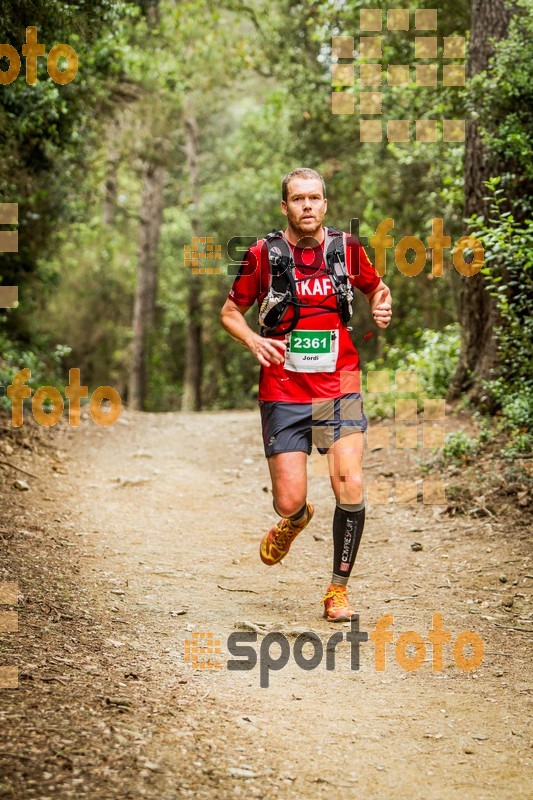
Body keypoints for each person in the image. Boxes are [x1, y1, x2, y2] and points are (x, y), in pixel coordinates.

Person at [220, 168, 392, 621]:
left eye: (315, 198)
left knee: (349, 482)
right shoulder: (263, 254)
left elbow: (378, 289)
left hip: (340, 382)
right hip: (283, 388)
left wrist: (381, 305)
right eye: (298, 199)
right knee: (289, 499)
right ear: (285, 207)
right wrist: (252, 340)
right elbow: (230, 312)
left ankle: (337, 590)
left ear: (325, 204)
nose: (307, 206)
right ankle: (295, 520)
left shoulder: (346, 249)